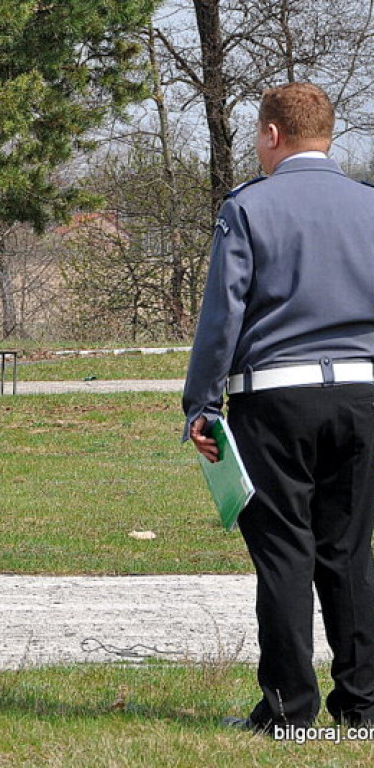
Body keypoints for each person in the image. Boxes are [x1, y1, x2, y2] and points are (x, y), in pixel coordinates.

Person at [183, 82, 374, 734]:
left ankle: (290, 713)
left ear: (271, 135)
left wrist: (201, 407)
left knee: (284, 555)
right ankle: (364, 705)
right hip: (362, 395)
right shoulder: (369, 206)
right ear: (330, 132)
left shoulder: (248, 208)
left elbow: (222, 316)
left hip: (276, 399)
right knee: (350, 552)